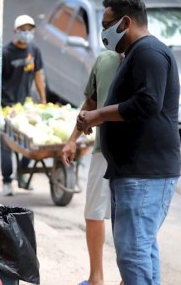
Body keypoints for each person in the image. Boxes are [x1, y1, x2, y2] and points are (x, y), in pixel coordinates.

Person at [77, 0, 181, 284]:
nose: (103, 32)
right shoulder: (134, 54)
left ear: (125, 22)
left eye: (106, 24)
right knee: (141, 252)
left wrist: (99, 116)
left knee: (133, 254)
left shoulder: (148, 53)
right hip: (133, 170)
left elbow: (148, 104)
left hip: (144, 172)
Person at [61, 51, 122, 285]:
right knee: (94, 213)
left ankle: (129, 277)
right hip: (101, 150)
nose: (106, 30)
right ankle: (96, 277)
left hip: (135, 154)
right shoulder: (103, 60)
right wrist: (72, 139)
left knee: (128, 217)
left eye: (110, 23)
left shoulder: (144, 56)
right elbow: (91, 103)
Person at [1, 14, 47, 196]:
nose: (26, 33)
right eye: (23, 29)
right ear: (16, 31)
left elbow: (38, 75)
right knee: (6, 144)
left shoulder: (34, 50)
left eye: (29, 29)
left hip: (25, 105)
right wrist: (1, 106)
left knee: (30, 142)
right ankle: (6, 181)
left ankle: (22, 173)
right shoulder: (6, 53)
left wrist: (42, 100)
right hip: (7, 106)